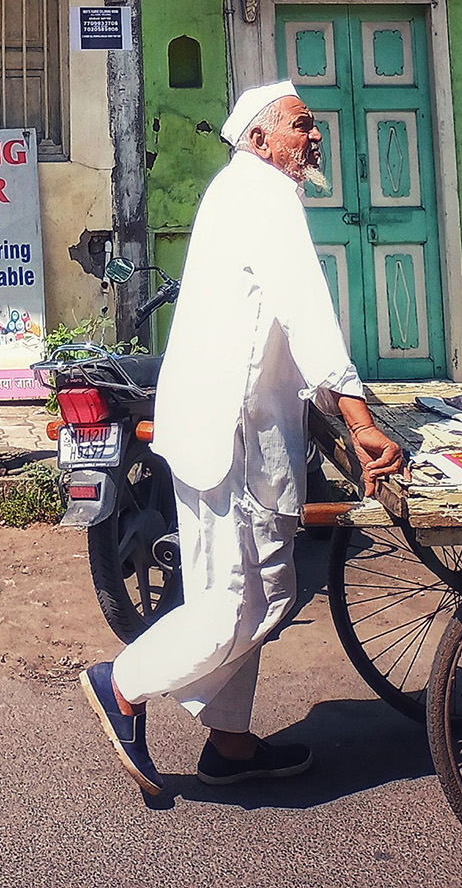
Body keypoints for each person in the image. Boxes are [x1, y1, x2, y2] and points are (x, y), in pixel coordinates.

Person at [80, 81, 404, 799]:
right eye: (300, 126)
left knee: (265, 585)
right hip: (228, 432)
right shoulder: (262, 195)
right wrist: (356, 418)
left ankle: (228, 745)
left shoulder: (245, 190)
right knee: (235, 601)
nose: (313, 137)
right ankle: (120, 682)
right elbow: (305, 310)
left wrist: (332, 405)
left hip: (235, 426)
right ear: (260, 139)